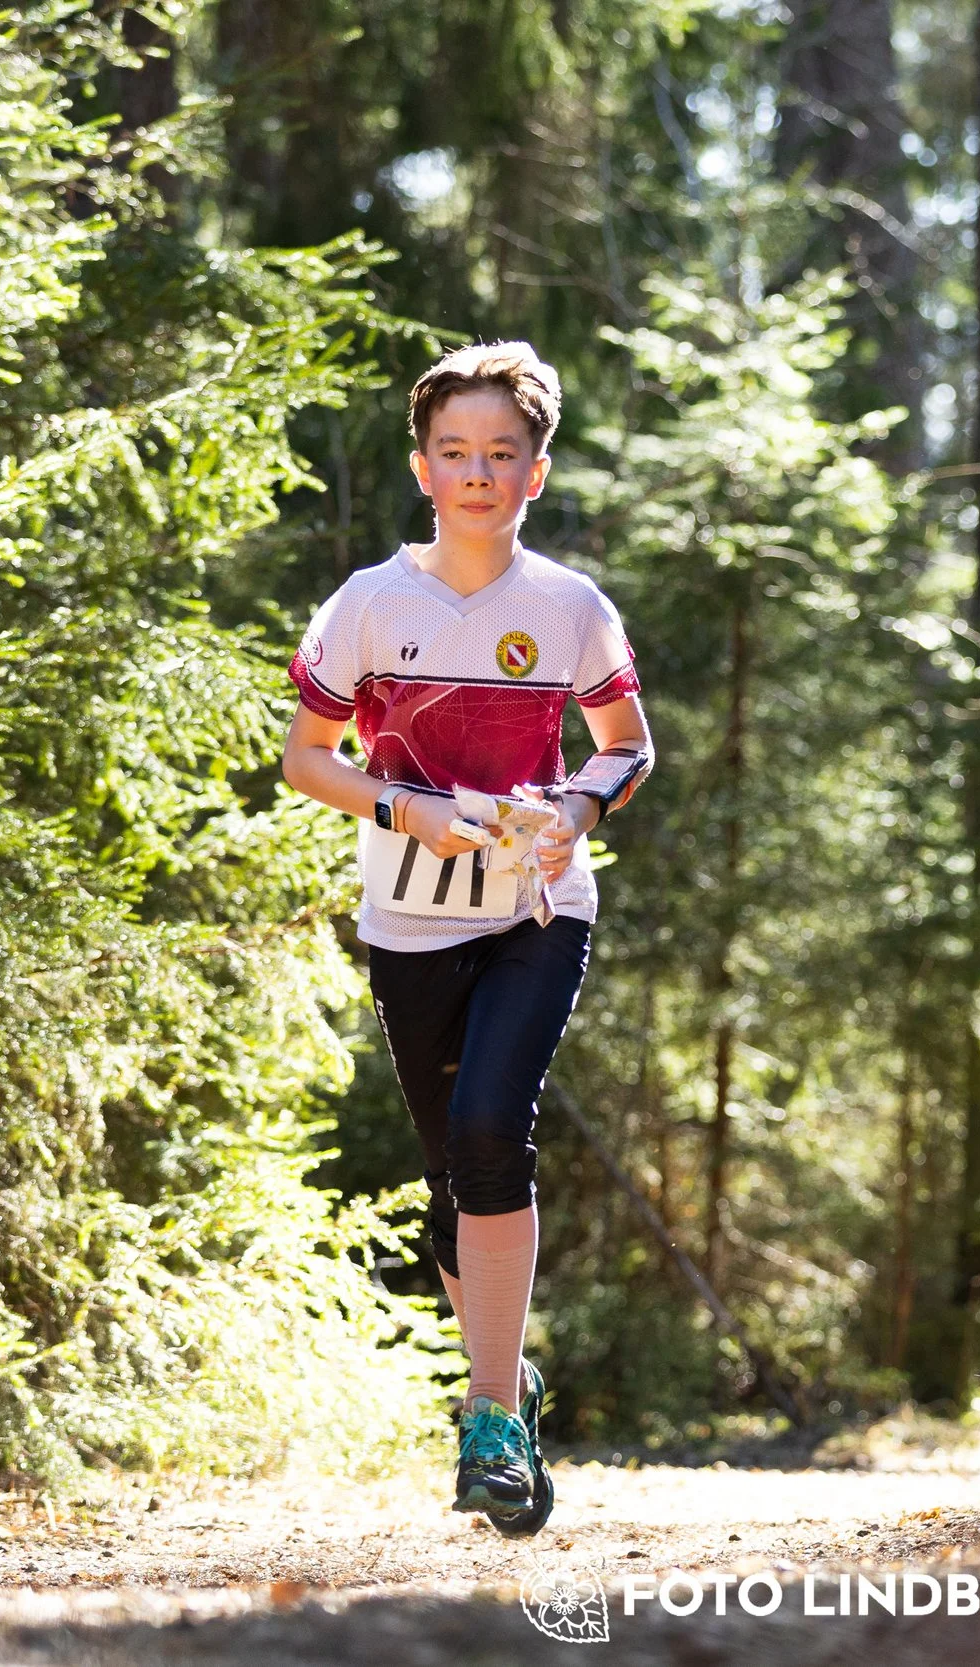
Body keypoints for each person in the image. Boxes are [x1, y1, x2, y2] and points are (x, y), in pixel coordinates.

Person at [279, 341, 651, 1535]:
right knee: (453, 1181)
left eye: (502, 452)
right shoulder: (370, 604)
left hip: (538, 910)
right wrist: (408, 809)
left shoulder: (570, 608)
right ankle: (512, 1382)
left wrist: (579, 804)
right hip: (406, 920)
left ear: (535, 473)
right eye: (455, 453)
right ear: (421, 469)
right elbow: (306, 761)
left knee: (495, 1125)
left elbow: (626, 744)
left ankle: (488, 1421)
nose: (478, 472)